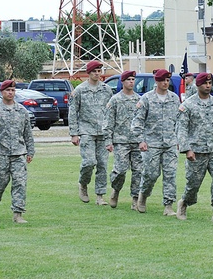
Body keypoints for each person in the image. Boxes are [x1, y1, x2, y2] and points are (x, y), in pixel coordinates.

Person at [0, 80, 35, 223]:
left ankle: (18, 214)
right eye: (8, 90)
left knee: (20, 183)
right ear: (1, 92)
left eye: (13, 90)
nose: (11, 93)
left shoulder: (22, 111)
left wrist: (30, 151)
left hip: (18, 153)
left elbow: (27, 133)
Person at [176, 72, 213, 222]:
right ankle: (184, 202)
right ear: (198, 85)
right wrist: (187, 149)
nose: (208, 86)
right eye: (205, 83)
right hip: (196, 151)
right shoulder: (188, 105)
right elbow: (182, 129)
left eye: (210, 83)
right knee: (193, 184)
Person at [134, 69, 182, 215]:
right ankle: (142, 197)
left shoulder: (174, 98)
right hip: (151, 143)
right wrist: (140, 140)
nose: (165, 83)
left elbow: (179, 121)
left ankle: (168, 205)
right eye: (163, 80)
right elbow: (137, 122)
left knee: (170, 174)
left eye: (167, 80)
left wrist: (179, 139)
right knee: (151, 174)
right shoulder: (146, 99)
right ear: (156, 81)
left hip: (170, 143)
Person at [69, 59, 114, 205]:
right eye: (94, 71)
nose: (97, 74)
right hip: (86, 130)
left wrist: (111, 133)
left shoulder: (107, 89)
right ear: (89, 73)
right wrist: (74, 133)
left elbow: (110, 112)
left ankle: (100, 195)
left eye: (99, 71)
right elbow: (73, 112)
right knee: (89, 162)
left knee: (102, 164)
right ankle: (83, 184)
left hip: (103, 132)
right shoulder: (80, 90)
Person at [105, 71, 142, 210]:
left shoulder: (139, 100)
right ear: (123, 82)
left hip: (137, 141)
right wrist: (108, 141)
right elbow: (108, 122)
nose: (131, 82)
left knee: (138, 171)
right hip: (121, 141)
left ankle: (135, 199)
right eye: (128, 80)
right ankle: (115, 190)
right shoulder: (115, 100)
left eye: (133, 79)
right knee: (120, 170)